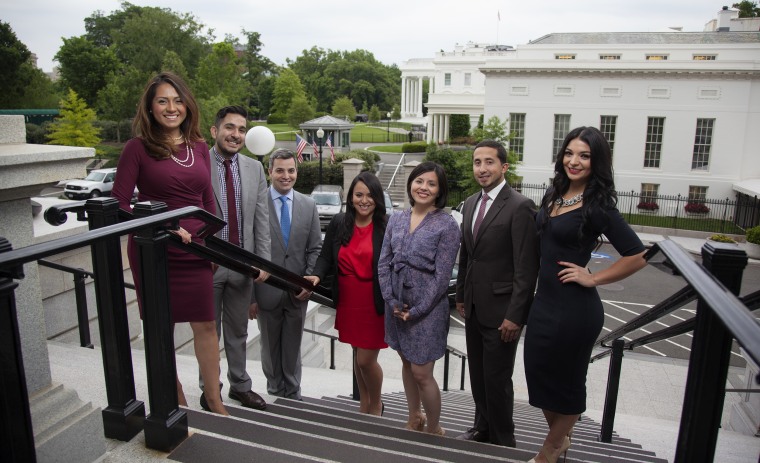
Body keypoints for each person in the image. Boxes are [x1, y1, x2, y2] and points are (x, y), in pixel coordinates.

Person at [524, 127, 647, 463]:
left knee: (567, 385)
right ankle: (560, 436)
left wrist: (593, 278)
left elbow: (637, 255)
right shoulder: (556, 194)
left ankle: (548, 451)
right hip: (544, 303)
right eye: (569, 153)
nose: (573, 161)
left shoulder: (598, 205)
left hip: (575, 311)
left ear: (596, 162)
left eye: (584, 155)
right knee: (538, 376)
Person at [112, 72, 228, 415]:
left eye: (177, 100)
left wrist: (209, 245)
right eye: (162, 100)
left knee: (206, 324)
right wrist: (161, 227)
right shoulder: (137, 148)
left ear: (187, 105)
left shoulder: (200, 148)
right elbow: (119, 203)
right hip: (156, 249)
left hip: (196, 250)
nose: (171, 107)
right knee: (161, 326)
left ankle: (214, 399)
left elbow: (208, 203)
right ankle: (174, 396)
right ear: (150, 108)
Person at [454, 139, 540, 446]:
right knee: (478, 377)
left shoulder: (520, 206)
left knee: (498, 381)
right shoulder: (471, 203)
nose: (482, 168)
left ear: (503, 167)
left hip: (503, 313)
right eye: (477, 162)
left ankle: (504, 441)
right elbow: (468, 254)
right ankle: (482, 428)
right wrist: (462, 295)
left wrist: (515, 315)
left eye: (489, 162)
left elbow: (526, 268)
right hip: (475, 308)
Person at [378, 162, 460, 435]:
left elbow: (441, 277)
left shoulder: (447, 225)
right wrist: (391, 301)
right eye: (419, 181)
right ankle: (414, 416)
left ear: (439, 191)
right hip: (397, 305)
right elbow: (384, 263)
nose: (424, 187)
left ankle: (434, 427)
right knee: (406, 363)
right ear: (411, 183)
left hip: (427, 310)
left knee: (423, 373)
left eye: (431, 184)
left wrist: (418, 310)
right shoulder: (397, 218)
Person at [201, 105, 270, 411]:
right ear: (215, 131)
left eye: (241, 129)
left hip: (243, 266)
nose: (236, 134)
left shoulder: (254, 169)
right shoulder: (198, 164)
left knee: (239, 331)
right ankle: (210, 387)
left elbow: (261, 222)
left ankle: (239, 385)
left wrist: (262, 265)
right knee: (208, 331)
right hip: (208, 264)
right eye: (230, 128)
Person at [305, 172, 388, 416]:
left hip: (373, 302)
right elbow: (325, 257)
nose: (364, 200)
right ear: (350, 198)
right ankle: (364, 404)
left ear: (378, 198)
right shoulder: (340, 222)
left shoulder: (386, 225)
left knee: (365, 360)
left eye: (370, 195)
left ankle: (376, 404)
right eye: (358, 194)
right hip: (348, 300)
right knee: (356, 354)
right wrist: (317, 275)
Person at [253, 149, 322, 400]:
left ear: (296, 172)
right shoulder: (257, 203)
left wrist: (308, 281)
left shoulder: (308, 205)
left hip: (297, 292)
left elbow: (315, 247)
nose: (286, 176)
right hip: (266, 291)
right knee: (270, 350)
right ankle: (275, 392)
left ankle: (293, 396)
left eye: (291, 170)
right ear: (270, 171)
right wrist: (251, 295)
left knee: (292, 349)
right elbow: (249, 250)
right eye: (280, 170)